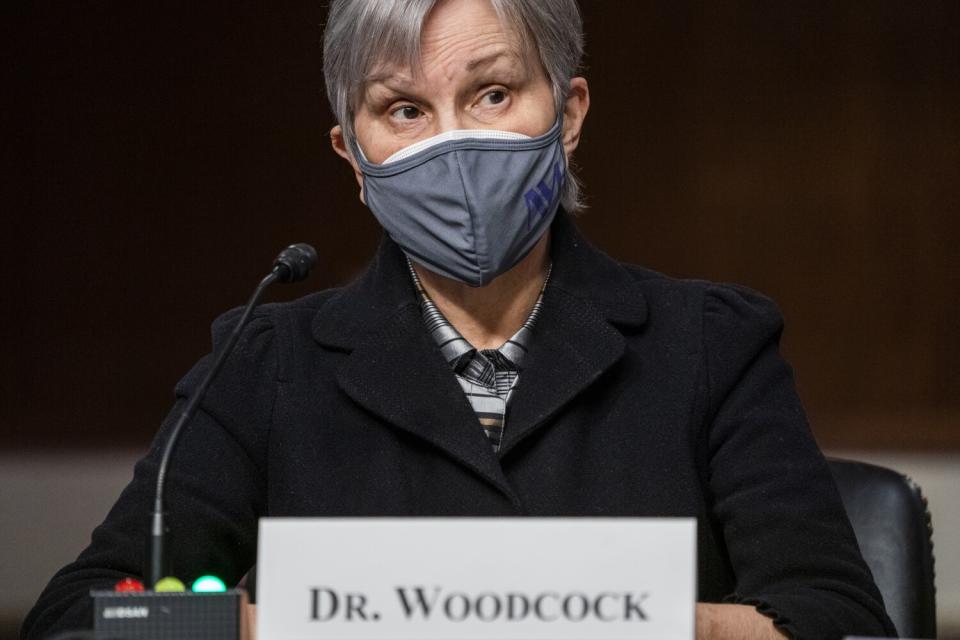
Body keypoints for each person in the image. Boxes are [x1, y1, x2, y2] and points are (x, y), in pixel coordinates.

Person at [23, 1, 895, 639]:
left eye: (491, 95)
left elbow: (837, 620)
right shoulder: (263, 364)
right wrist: (287, 621)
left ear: (570, 113)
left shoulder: (711, 344)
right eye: (404, 110)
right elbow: (83, 616)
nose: (451, 144)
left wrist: (639, 620)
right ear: (354, 157)